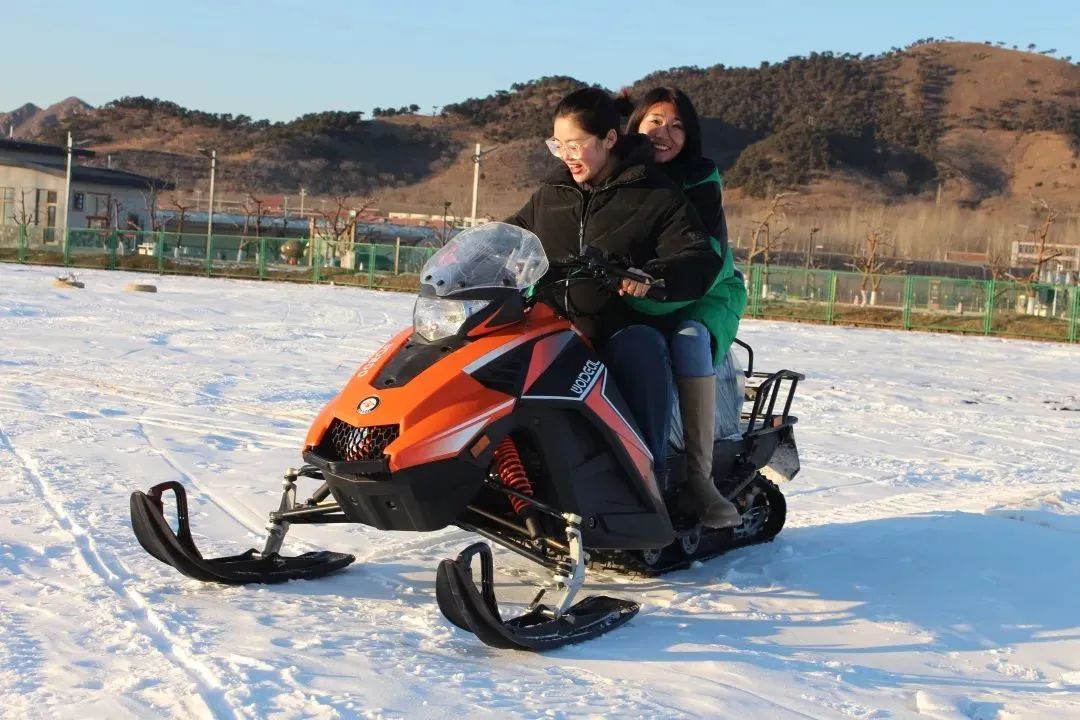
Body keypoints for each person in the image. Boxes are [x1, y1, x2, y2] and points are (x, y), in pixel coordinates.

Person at [505, 87, 737, 528]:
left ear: (609, 139)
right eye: (559, 145)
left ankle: (668, 480)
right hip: (560, 319)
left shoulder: (664, 192)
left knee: (661, 344)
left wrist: (650, 277)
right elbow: (513, 233)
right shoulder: (553, 191)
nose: (566, 154)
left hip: (668, 305)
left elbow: (699, 255)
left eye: (575, 144)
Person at [618, 86, 750, 528]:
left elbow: (705, 258)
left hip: (704, 291)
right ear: (635, 124)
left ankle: (699, 480)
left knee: (689, 339)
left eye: (677, 126)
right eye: (655, 120)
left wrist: (652, 288)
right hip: (637, 291)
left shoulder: (700, 180)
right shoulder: (618, 174)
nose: (665, 133)